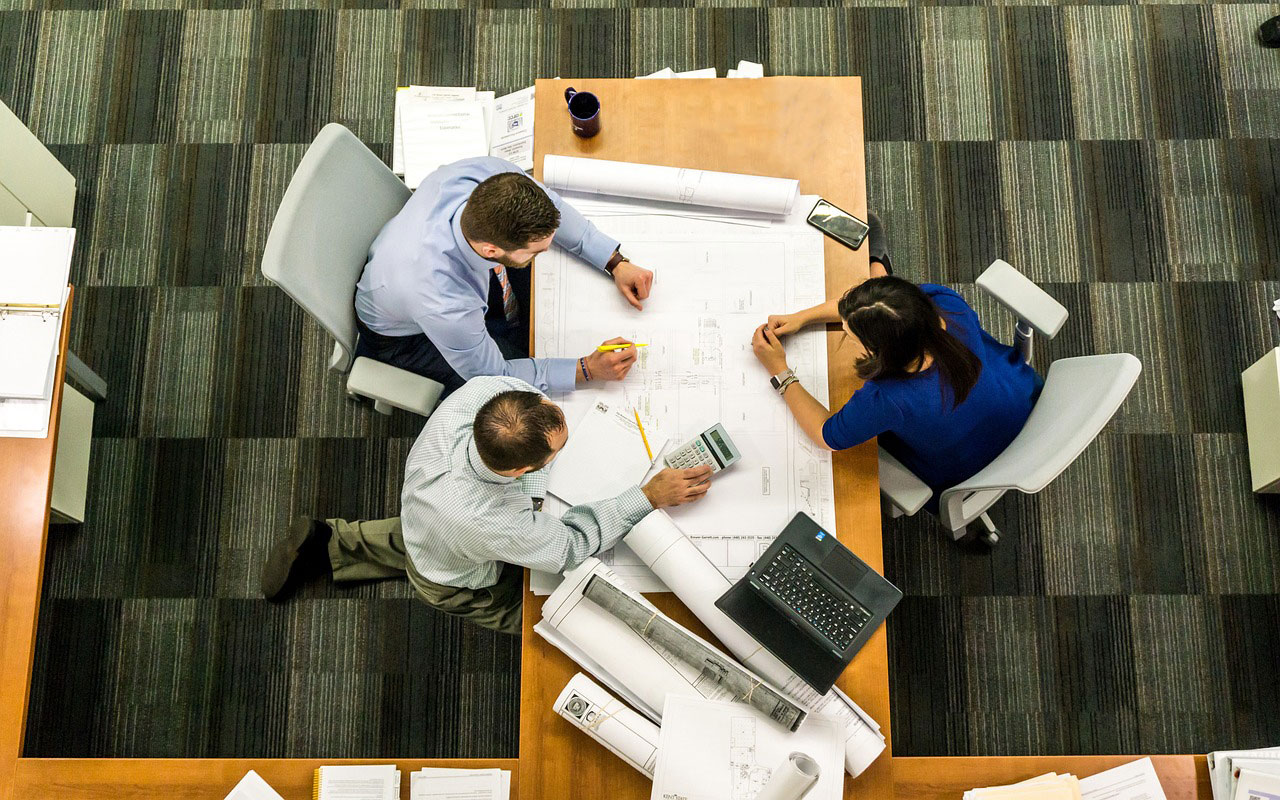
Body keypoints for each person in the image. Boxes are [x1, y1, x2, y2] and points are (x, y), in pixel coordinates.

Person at [260, 376, 712, 634]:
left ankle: (331, 542)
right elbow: (569, 547)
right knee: (545, 616)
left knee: (423, 535)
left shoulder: (484, 394)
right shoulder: (488, 521)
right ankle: (547, 626)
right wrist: (647, 495)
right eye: (557, 450)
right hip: (455, 576)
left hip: (427, 513)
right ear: (520, 471)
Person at [749, 217, 1042, 514]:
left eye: (850, 335)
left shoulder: (888, 399)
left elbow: (828, 436)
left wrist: (779, 371)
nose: (845, 334)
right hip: (1021, 400)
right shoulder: (942, 302)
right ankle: (880, 264)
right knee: (873, 237)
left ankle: (879, 262)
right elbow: (875, 308)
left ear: (880, 352)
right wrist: (803, 317)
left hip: (970, 467)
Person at [355, 156, 656, 396]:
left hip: (411, 268)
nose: (547, 251)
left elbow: (554, 208)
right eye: (536, 250)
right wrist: (586, 369)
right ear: (491, 249)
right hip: (405, 338)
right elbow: (494, 375)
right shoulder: (444, 302)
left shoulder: (488, 175)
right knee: (518, 400)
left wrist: (614, 261)